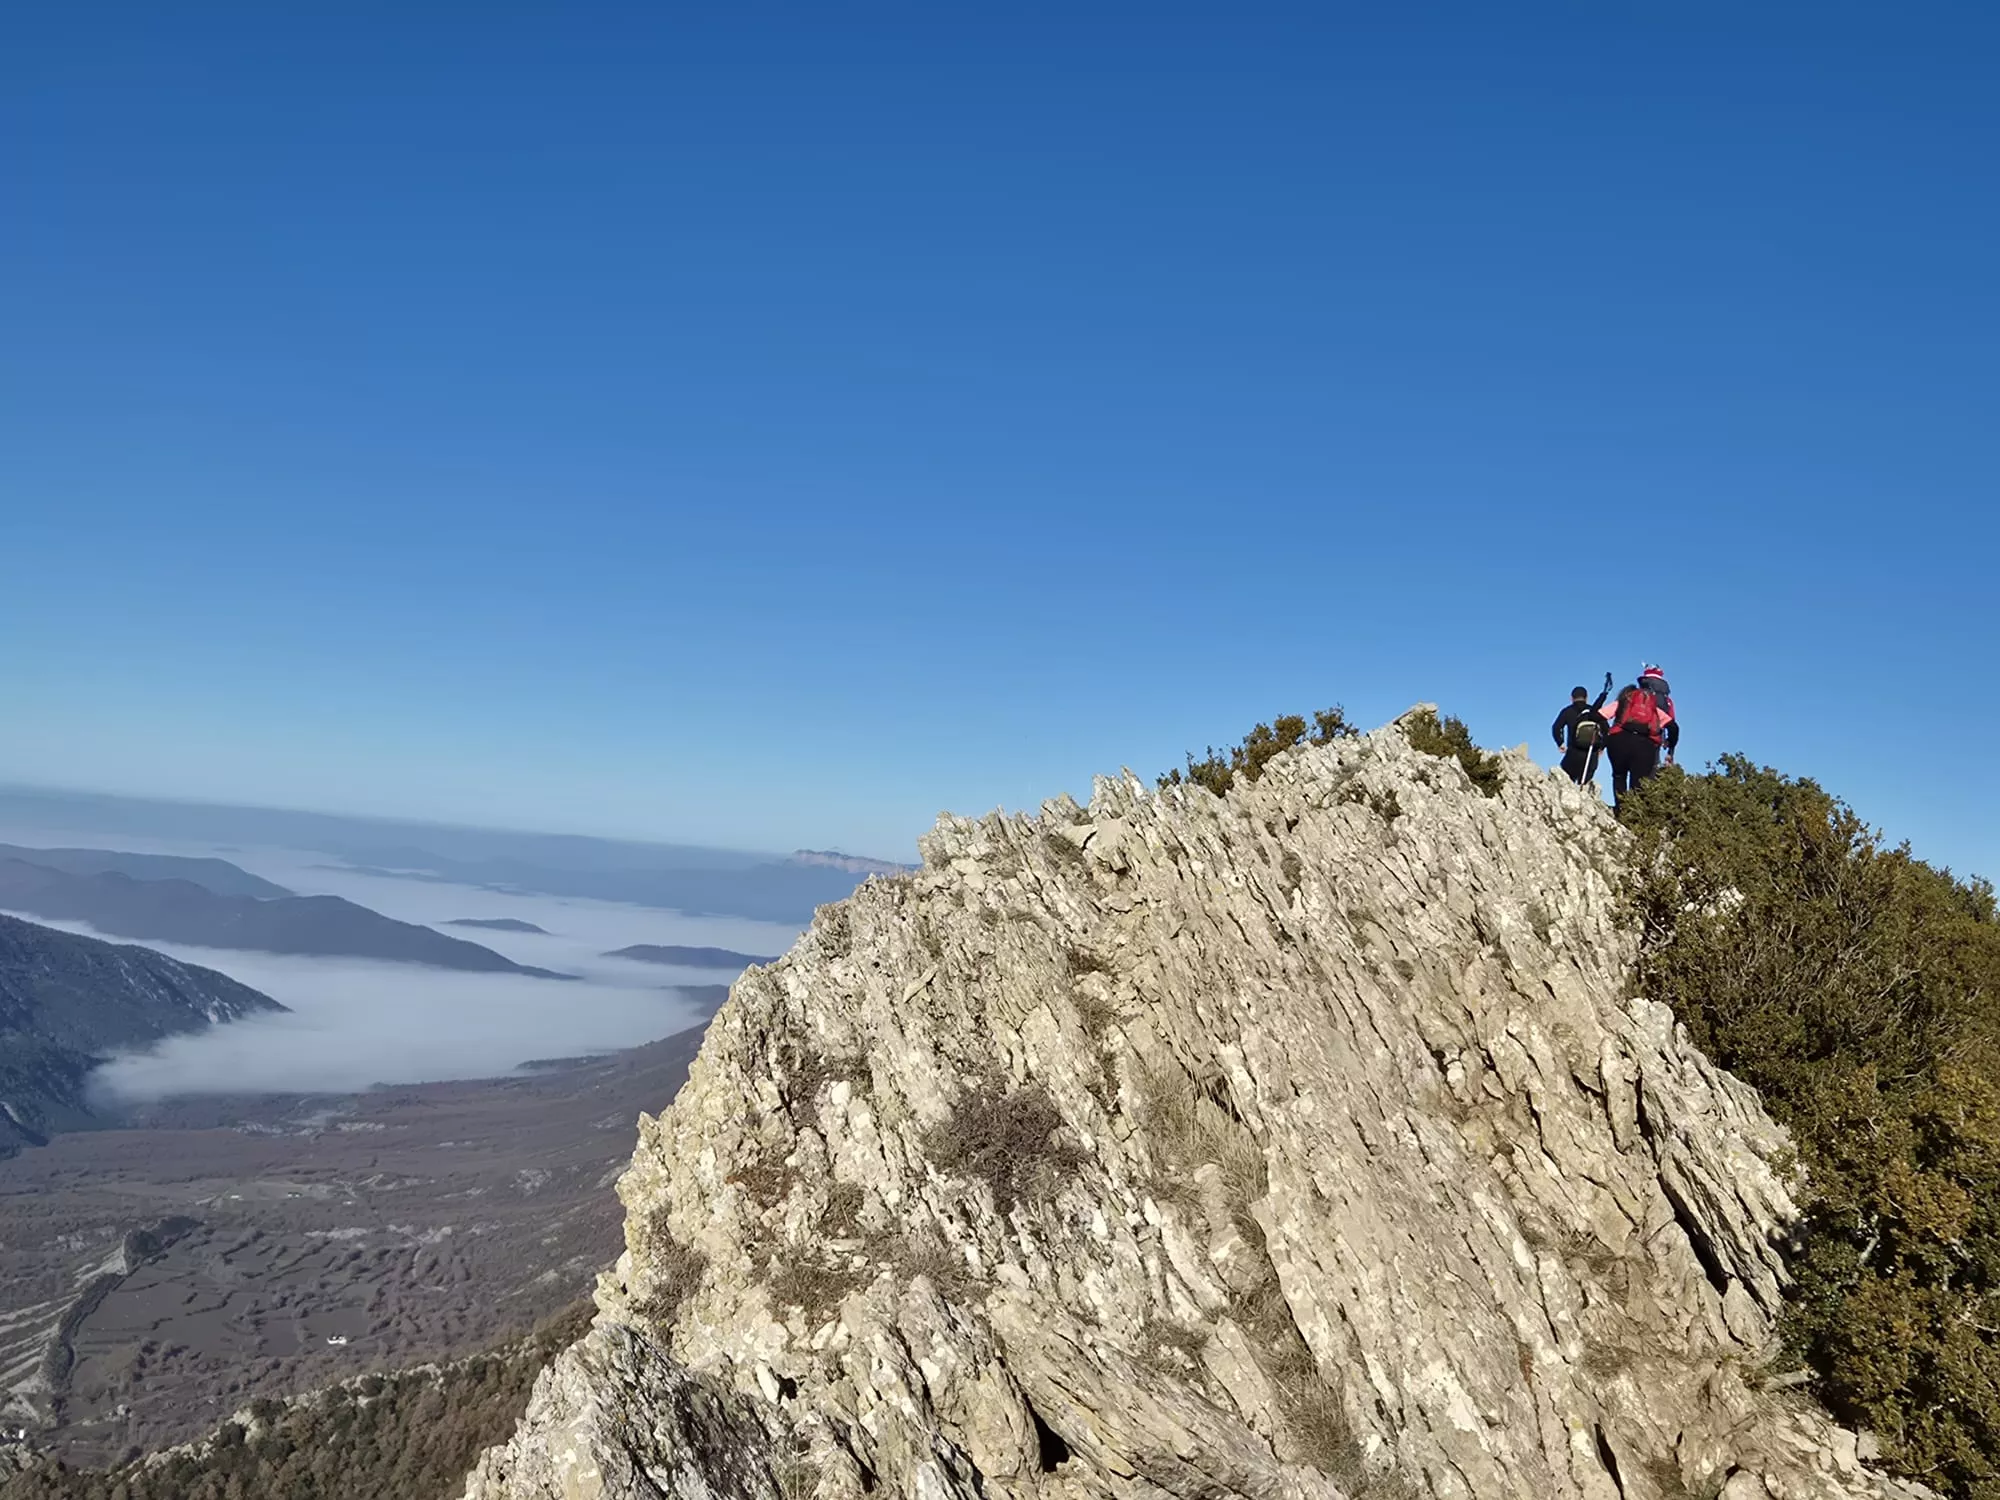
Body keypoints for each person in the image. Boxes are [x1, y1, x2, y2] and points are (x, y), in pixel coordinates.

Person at [1604, 663, 1679, 805]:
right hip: (1651, 741)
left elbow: (1604, 714)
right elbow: (1673, 725)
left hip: (1621, 738)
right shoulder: (1667, 700)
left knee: (1619, 775)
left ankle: (1620, 807)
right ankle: (1639, 810)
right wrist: (1670, 750)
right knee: (1644, 778)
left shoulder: (1630, 696)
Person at [1551, 673, 1613, 785]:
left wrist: (1560, 743)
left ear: (1571, 698)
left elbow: (1556, 727)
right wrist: (1602, 747)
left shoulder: (1567, 711)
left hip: (1573, 753)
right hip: (1591, 753)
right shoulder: (1594, 712)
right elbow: (1607, 731)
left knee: (1566, 784)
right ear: (1586, 698)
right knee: (1584, 786)